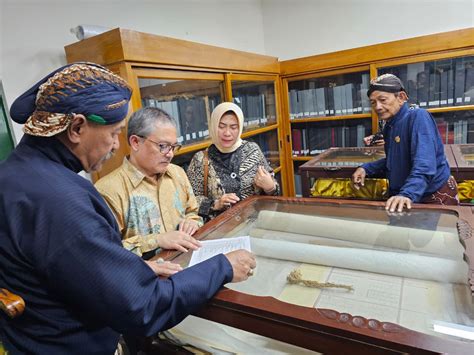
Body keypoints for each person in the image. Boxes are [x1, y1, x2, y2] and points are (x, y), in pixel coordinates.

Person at [0, 63, 256, 354]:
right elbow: (142, 307)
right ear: (77, 127)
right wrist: (222, 266)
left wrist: (129, 269)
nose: (114, 146)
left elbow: (69, 268)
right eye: (113, 133)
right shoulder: (60, 201)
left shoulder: (15, 175)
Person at [95, 107, 202, 268]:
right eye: (162, 146)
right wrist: (157, 240)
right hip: (146, 280)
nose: (170, 154)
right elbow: (103, 254)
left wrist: (192, 222)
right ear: (135, 142)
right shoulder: (108, 190)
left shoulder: (177, 173)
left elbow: (192, 212)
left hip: (188, 263)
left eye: (173, 147)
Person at [352, 74, 458, 212]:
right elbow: (395, 160)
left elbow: (424, 165)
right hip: (407, 193)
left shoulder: (418, 117)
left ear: (401, 97)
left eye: (383, 100)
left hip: (432, 195)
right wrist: (366, 168)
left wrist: (407, 193)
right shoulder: (389, 126)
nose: (377, 107)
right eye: (373, 102)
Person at [187, 102, 279, 220]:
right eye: (221, 126)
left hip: (254, 224)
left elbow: (274, 191)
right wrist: (216, 204)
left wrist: (270, 187)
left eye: (233, 127)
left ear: (240, 127)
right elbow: (190, 202)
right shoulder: (200, 159)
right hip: (220, 230)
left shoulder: (252, 151)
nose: (227, 133)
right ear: (213, 126)